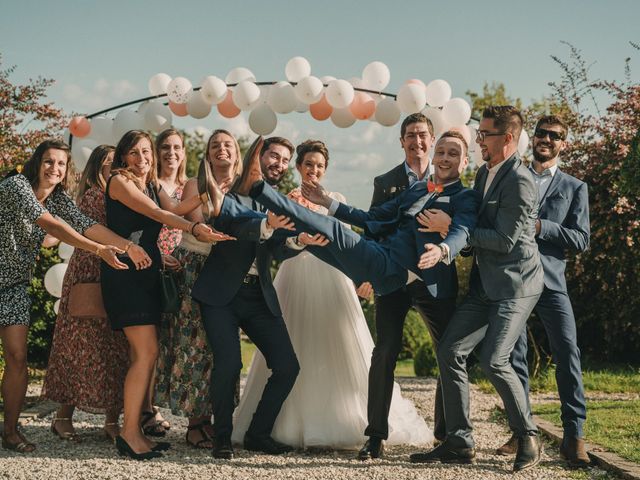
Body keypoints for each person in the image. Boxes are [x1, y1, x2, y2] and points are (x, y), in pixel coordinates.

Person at [231, 140, 432, 449]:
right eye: (308, 164)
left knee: (339, 345)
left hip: (333, 281)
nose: (314, 170)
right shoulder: (284, 201)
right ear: (298, 167)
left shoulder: (335, 199)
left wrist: (361, 278)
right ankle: (283, 423)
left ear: (325, 170)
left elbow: (352, 248)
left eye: (320, 166)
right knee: (297, 344)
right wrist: (298, 239)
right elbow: (276, 251)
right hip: (296, 278)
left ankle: (341, 419)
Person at [410, 106, 544, 473]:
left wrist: (452, 227)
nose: (480, 139)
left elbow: (503, 240)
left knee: (494, 359)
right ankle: (458, 442)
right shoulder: (485, 173)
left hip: (516, 286)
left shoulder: (521, 181)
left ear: (509, 139)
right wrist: (454, 239)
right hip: (486, 285)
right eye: (480, 134)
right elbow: (474, 235)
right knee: (450, 350)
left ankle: (529, 437)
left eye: (486, 134)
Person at [0, 139, 141, 453]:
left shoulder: (59, 198)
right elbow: (51, 225)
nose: (55, 168)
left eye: (61, 164)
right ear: (38, 162)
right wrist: (97, 250)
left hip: (13, 287)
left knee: (17, 358)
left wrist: (128, 247)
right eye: (49, 161)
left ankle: (9, 432)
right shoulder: (16, 185)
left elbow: (86, 225)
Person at [192, 136, 326, 459]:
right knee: (229, 364)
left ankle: (257, 433)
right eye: (273, 157)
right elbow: (235, 224)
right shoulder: (231, 194)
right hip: (221, 294)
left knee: (287, 366)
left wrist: (300, 241)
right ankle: (222, 438)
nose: (278, 164)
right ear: (258, 156)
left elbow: (278, 247)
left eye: (283, 161)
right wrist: (265, 224)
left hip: (258, 296)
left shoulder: (276, 201)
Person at [101, 130, 223, 460]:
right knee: (146, 352)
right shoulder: (119, 182)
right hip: (126, 273)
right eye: (136, 153)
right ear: (123, 156)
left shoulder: (152, 185)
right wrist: (196, 229)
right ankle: (129, 434)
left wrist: (206, 189)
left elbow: (176, 207)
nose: (143, 159)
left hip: (148, 274)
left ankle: (135, 430)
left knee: (147, 354)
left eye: (147, 153)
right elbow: (159, 215)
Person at [357, 113, 461, 460]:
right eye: (410, 136)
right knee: (384, 351)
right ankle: (374, 436)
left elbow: (465, 229)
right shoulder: (385, 180)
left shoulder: (450, 175)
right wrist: (368, 274)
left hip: (435, 279)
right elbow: (373, 228)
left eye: (422, 135)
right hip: (392, 279)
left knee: (446, 349)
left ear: (432, 141)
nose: (417, 141)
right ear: (401, 141)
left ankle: (444, 434)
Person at [496, 115, 590, 467]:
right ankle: (523, 431)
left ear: (564, 144)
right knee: (514, 358)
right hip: (514, 280)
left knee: (567, 351)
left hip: (551, 282)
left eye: (555, 136)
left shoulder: (574, 187)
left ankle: (573, 435)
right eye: (541, 134)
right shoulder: (512, 174)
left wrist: (541, 226)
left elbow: (581, 239)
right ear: (532, 138)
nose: (546, 139)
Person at [155, 129, 243, 449]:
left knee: (221, 347)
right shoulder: (196, 184)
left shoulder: (246, 186)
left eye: (228, 144)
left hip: (227, 272)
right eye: (215, 145)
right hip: (193, 269)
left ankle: (217, 418)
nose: (222, 148)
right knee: (194, 344)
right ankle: (195, 424)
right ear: (207, 154)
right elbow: (202, 226)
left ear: (236, 153)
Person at [42, 145, 130, 443]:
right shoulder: (95, 196)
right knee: (78, 346)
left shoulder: (121, 194)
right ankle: (63, 417)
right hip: (89, 274)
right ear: (96, 168)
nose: (113, 169)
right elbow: (94, 234)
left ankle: (111, 419)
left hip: (115, 274)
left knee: (113, 348)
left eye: (116, 164)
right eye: (107, 164)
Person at [143, 128, 189, 438]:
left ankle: (162, 401)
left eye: (176, 147)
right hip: (152, 265)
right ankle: (147, 410)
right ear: (158, 153)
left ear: (184, 153)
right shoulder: (150, 185)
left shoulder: (189, 187)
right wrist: (160, 256)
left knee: (172, 341)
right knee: (150, 342)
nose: (171, 153)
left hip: (183, 269)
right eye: (165, 147)